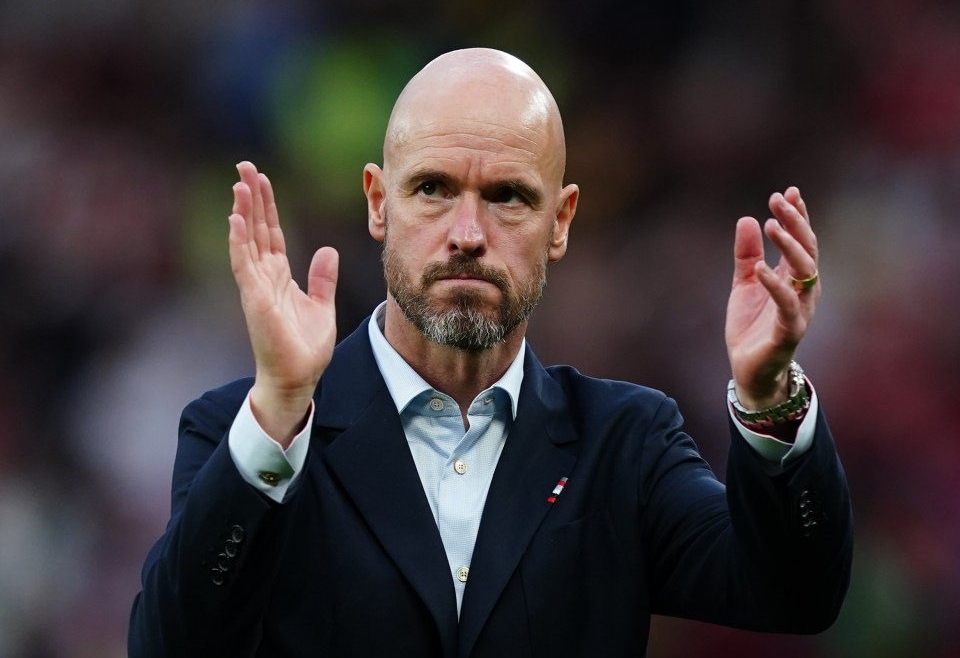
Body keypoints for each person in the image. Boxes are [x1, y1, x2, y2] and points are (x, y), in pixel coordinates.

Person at [129, 48, 852, 657]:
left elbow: (794, 595)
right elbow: (169, 643)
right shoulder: (247, 433)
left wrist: (772, 400)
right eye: (433, 189)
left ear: (560, 221)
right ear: (379, 205)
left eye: (507, 195)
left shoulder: (624, 444)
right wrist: (283, 409)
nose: (468, 233)